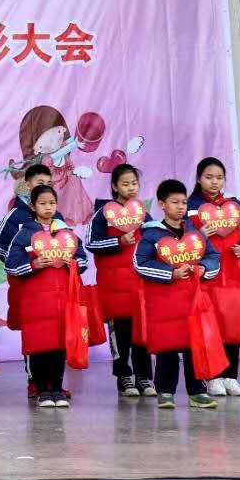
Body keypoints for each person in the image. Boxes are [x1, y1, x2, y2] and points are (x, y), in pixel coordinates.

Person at [135, 178, 221, 409]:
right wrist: (171, 273)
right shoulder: (152, 234)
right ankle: (165, 392)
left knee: (195, 345)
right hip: (164, 302)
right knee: (168, 346)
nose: (181, 206)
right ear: (162, 205)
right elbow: (140, 264)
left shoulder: (194, 233)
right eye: (175, 202)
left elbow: (214, 256)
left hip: (193, 300)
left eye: (183, 202)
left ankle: (198, 392)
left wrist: (204, 269)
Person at [5, 185, 87, 409]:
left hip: (62, 301)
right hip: (36, 302)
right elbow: (11, 265)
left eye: (52, 203)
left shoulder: (66, 233)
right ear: (33, 206)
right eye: (42, 203)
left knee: (59, 347)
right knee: (39, 346)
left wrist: (73, 264)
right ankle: (42, 390)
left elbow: (83, 259)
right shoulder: (25, 233)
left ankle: (58, 389)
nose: (48, 207)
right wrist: (34, 264)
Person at [187, 156, 240, 399]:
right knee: (210, 328)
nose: (214, 182)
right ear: (199, 179)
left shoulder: (235, 206)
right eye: (209, 177)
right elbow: (180, 242)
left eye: (219, 177)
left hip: (235, 277)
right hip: (207, 278)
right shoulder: (190, 207)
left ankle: (231, 377)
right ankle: (213, 377)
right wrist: (199, 234)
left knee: (233, 327)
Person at [88, 164, 154, 399]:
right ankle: (124, 376)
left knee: (142, 332)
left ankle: (144, 377)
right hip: (113, 287)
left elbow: (157, 241)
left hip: (140, 285)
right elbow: (91, 243)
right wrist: (119, 242)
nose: (131, 188)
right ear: (115, 186)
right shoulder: (102, 214)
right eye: (125, 184)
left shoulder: (144, 214)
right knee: (121, 334)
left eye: (134, 183)